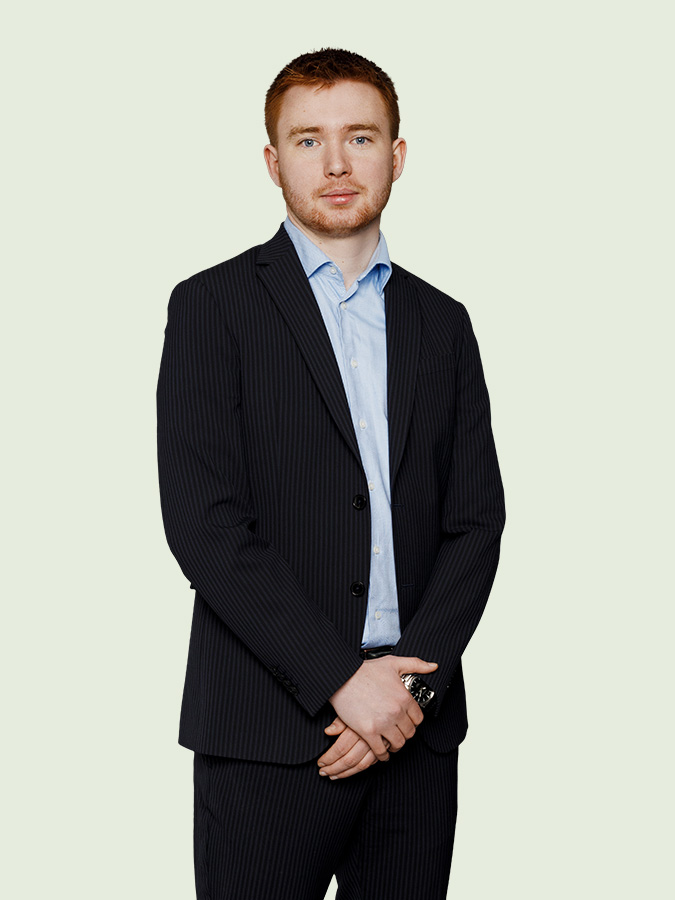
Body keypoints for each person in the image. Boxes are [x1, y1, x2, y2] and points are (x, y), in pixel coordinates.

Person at [156, 47, 505, 900]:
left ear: (397, 154)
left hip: (415, 731)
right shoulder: (212, 307)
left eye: (361, 136)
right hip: (269, 733)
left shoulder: (443, 322)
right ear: (272, 161)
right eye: (308, 140)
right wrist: (342, 682)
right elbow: (205, 524)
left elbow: (474, 522)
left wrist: (408, 690)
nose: (337, 163)